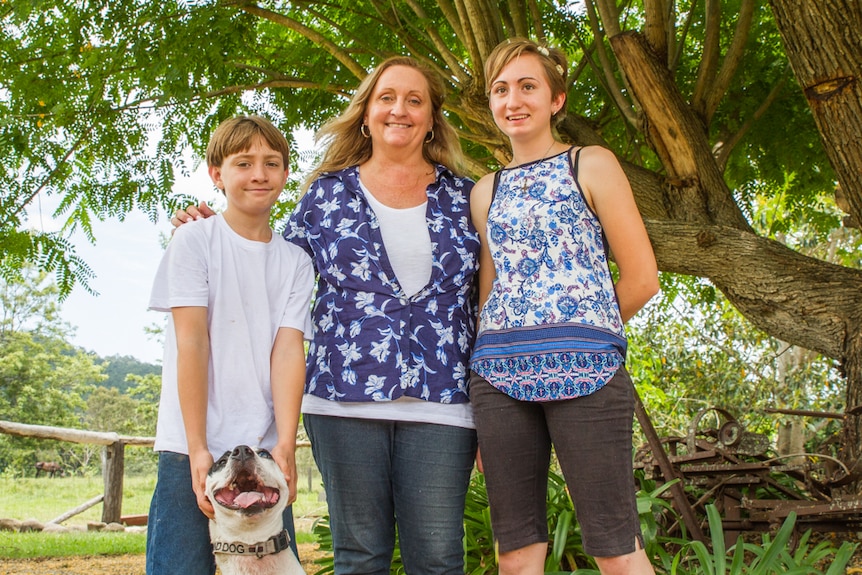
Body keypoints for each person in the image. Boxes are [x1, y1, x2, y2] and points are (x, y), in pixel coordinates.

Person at [172, 57, 480, 575]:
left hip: (443, 402)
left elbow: (485, 296)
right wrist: (210, 226)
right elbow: (269, 259)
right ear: (366, 113)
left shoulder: (467, 196)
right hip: (342, 402)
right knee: (359, 558)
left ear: (432, 117)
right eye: (386, 98)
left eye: (414, 100)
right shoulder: (327, 193)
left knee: (440, 558)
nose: (398, 110)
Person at [468, 38, 660, 575]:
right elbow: (491, 294)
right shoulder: (485, 190)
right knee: (516, 551)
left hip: (590, 374)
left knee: (615, 547)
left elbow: (643, 278)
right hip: (499, 381)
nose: (513, 100)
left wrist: (580, 334)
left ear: (556, 99)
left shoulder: (592, 164)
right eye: (500, 90)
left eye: (527, 86)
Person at [146, 115, 315, 575]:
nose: (259, 174)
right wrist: (198, 447)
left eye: (271, 162)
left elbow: (287, 351)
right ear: (217, 174)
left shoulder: (297, 262)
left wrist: (284, 444)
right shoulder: (194, 241)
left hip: (261, 453)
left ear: (284, 174)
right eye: (244, 163)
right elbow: (192, 343)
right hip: (191, 445)